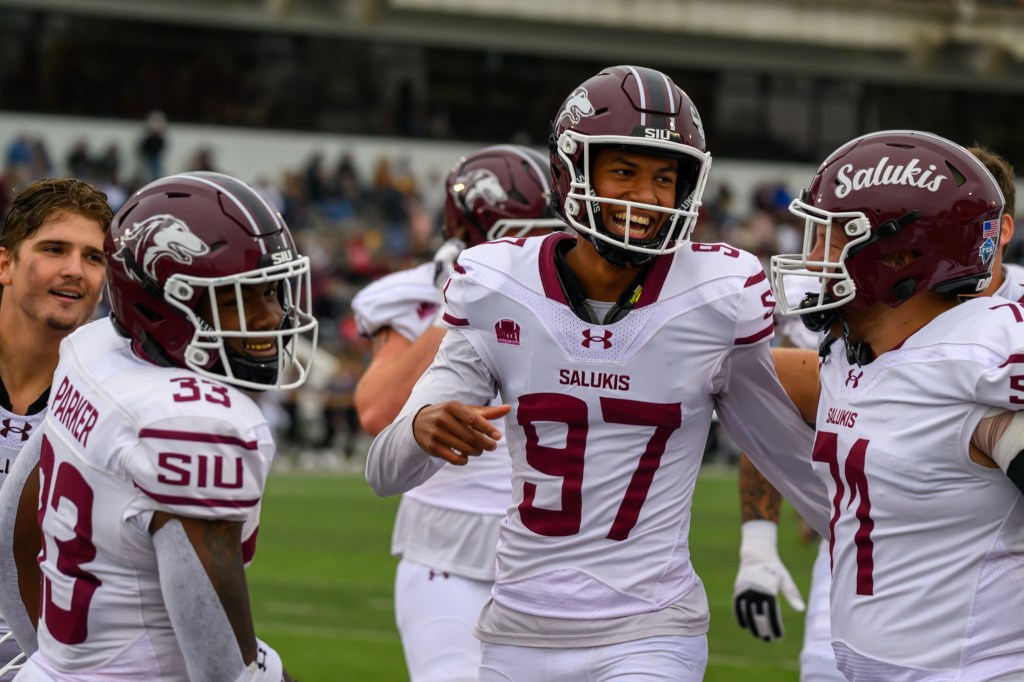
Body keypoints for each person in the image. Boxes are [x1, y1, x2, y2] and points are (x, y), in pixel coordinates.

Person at [366, 64, 830, 681]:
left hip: (652, 628)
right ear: (570, 173)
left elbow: (784, 454)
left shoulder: (717, 296)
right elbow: (385, 470)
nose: (646, 197)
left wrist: (887, 547)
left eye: (665, 177)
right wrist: (422, 425)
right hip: (518, 630)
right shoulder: (496, 283)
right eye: (625, 171)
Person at [0, 171, 318, 681]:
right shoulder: (195, 424)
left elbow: (12, 521)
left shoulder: (93, 350)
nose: (270, 318)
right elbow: (220, 666)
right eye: (238, 298)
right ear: (169, 300)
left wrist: (47, 660)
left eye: (272, 292)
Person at [734, 143, 1022, 681]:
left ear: (899, 256)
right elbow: (737, 374)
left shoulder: (978, 356)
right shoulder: (856, 356)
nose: (813, 259)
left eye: (832, 237)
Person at [352, 143, 562, 681]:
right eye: (521, 233)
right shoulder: (417, 295)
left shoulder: (578, 290)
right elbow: (378, 411)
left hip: (557, 550)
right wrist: (463, 302)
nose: (536, 246)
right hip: (445, 548)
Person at [0, 178, 112, 680]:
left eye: (93, 257)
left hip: (56, 647)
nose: (75, 270)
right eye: (54, 249)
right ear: (5, 264)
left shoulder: (119, 396)